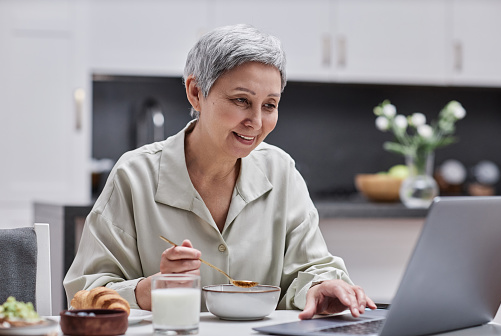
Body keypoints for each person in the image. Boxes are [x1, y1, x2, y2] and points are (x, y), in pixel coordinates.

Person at [64, 24, 376, 320]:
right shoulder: (135, 176)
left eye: (269, 105)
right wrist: (150, 289)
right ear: (196, 92)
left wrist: (321, 288)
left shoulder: (281, 171)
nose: (255, 121)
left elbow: (311, 268)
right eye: (242, 100)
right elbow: (85, 293)